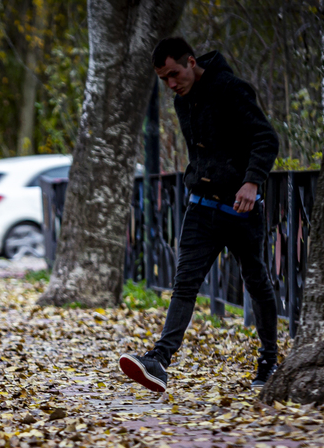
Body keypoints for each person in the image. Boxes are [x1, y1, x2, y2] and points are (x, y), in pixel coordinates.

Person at [119, 37, 281, 393]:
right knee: (185, 284)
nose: (171, 84)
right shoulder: (182, 101)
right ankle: (159, 361)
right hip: (201, 208)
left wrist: (252, 182)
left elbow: (265, 139)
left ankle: (270, 359)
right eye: (164, 79)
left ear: (191, 61)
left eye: (174, 74)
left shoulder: (231, 89)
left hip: (241, 209)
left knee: (257, 282)